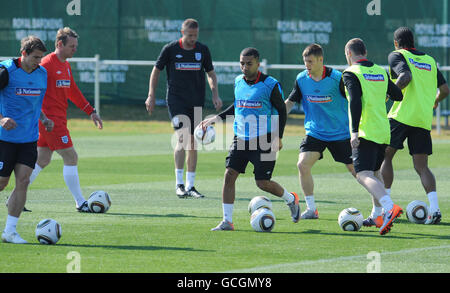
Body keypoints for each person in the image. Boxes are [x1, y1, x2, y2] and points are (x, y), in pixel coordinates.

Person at [200, 47, 300, 231]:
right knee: (229, 175)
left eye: (249, 63)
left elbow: (281, 111)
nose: (245, 67)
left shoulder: (270, 84)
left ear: (258, 64)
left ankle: (291, 199)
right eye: (242, 63)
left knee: (263, 183)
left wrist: (278, 137)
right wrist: (217, 118)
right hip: (241, 138)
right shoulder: (238, 81)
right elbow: (237, 106)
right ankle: (227, 221)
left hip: (265, 139)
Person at [27, 27, 103, 213]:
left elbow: (73, 92)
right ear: (60, 44)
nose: (75, 50)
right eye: (72, 46)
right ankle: (80, 202)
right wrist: (42, 118)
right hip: (50, 122)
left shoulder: (66, 65)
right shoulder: (45, 64)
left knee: (42, 159)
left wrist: (90, 111)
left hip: (57, 120)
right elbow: (32, 90)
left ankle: (15, 198)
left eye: (76, 46)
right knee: (71, 157)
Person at [145, 18, 223, 199]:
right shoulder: (170, 49)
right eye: (189, 35)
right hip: (176, 100)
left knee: (194, 142)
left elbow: (211, 74)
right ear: (182, 33)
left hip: (196, 101)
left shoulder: (202, 50)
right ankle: (179, 185)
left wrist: (215, 94)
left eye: (195, 35)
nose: (192, 39)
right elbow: (156, 70)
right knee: (182, 138)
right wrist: (151, 94)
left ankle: (190, 185)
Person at [380, 27, 449, 225]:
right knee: (422, 167)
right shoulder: (429, 60)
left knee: (386, 155)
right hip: (422, 119)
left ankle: (388, 208)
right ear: (414, 41)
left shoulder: (396, 55)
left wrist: (388, 95)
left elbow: (405, 77)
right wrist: (435, 101)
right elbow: (445, 90)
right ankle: (435, 210)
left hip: (400, 116)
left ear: (396, 43)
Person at [285, 43, 356, 219]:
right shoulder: (302, 79)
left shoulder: (337, 78)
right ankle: (311, 209)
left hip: (340, 133)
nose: (307, 65)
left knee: (358, 172)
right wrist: (275, 119)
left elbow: (354, 101)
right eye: (305, 61)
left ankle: (381, 206)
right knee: (302, 164)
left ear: (320, 60)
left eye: (310, 61)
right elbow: (290, 101)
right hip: (315, 132)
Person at [342, 38, 404, 235]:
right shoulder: (380, 71)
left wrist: (354, 133)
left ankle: (389, 207)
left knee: (363, 175)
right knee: (376, 173)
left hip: (365, 131)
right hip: (383, 130)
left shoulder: (351, 73)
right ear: (365, 51)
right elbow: (398, 95)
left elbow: (355, 102)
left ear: (349, 54)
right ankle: (378, 215)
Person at [1, 36, 54, 243]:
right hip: (4, 138)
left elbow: (34, 103)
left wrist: (44, 118)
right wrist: (2, 119)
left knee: (22, 181)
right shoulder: (6, 71)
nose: (39, 61)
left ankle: (10, 232)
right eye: (35, 57)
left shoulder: (42, 74)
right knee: (1, 183)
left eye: (41, 57)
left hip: (29, 139)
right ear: (23, 54)